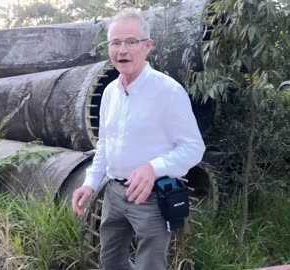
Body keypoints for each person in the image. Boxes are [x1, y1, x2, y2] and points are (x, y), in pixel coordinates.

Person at [71, 7, 205, 270]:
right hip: (114, 193)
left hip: (152, 198)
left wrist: (153, 168)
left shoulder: (168, 91)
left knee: (150, 266)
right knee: (111, 261)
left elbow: (193, 148)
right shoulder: (110, 92)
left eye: (131, 42)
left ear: (147, 46)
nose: (122, 50)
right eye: (116, 42)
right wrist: (90, 182)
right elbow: (105, 145)